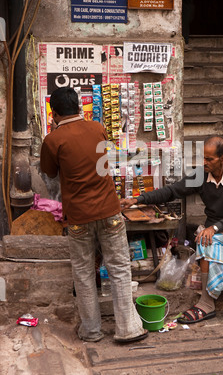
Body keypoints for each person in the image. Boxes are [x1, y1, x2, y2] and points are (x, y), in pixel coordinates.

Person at [40, 87, 148, 343]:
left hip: (78, 217)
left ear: (54, 113)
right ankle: (128, 329)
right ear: (79, 107)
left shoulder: (53, 140)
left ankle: (91, 331)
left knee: (84, 273)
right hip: (109, 211)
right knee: (120, 269)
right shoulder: (98, 128)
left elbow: (49, 174)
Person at [120, 136, 223, 325]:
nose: (204, 162)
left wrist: (214, 227)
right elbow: (172, 191)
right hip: (214, 232)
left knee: (207, 240)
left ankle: (206, 303)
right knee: (208, 241)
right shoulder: (201, 175)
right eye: (203, 157)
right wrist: (138, 199)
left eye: (209, 159)